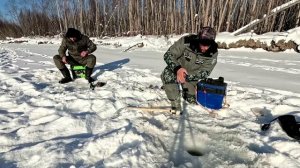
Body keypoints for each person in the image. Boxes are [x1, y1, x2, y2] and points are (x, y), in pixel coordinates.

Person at [161, 27, 218, 112]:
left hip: (191, 77)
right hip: (176, 70)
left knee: (190, 100)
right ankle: (176, 105)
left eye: (208, 44)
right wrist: (178, 69)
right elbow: (168, 55)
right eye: (202, 43)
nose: (204, 47)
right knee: (167, 75)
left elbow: (205, 72)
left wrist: (186, 76)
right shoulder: (186, 41)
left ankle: (186, 91)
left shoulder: (212, 52)